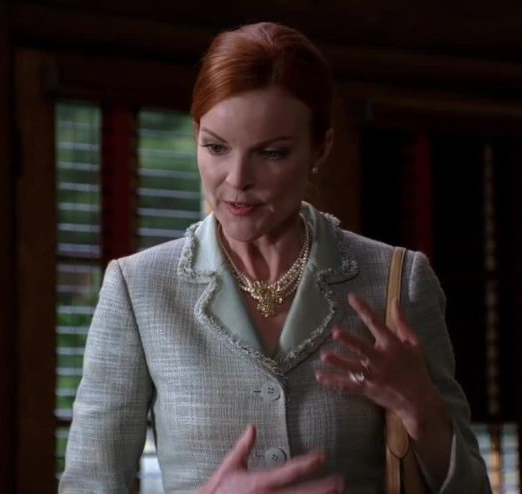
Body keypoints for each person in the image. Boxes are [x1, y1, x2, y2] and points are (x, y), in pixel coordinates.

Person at [59, 21, 491, 493]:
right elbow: (88, 485)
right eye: (216, 147)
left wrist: (421, 408)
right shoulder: (139, 288)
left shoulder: (396, 281)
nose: (236, 179)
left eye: (271, 153)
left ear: (320, 148)